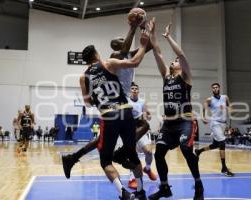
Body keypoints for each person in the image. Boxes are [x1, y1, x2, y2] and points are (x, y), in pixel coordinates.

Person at [62, 15, 151, 180]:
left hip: (119, 101)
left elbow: (147, 46)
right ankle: (122, 154)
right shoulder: (116, 54)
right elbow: (131, 50)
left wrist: (145, 28)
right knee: (142, 126)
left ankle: (75, 157)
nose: (123, 39)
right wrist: (135, 27)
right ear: (116, 44)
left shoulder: (124, 54)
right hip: (120, 100)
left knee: (109, 137)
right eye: (120, 39)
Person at [147, 18, 204, 200]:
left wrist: (169, 37)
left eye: (176, 60)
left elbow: (181, 54)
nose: (174, 61)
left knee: (186, 150)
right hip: (169, 125)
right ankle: (165, 188)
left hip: (185, 121)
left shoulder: (186, 77)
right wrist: (153, 33)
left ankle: (198, 184)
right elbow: (157, 51)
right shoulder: (166, 77)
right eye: (173, 61)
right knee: (159, 154)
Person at [195, 83, 234, 177]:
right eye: (213, 88)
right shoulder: (210, 99)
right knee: (222, 143)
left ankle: (198, 151)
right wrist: (203, 117)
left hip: (223, 123)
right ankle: (224, 168)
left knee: (215, 145)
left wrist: (228, 109)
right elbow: (203, 107)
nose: (215, 89)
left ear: (219, 88)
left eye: (216, 87)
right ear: (212, 90)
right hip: (215, 123)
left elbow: (231, 108)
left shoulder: (225, 97)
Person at [127, 82, 157, 189]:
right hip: (130, 131)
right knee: (132, 154)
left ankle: (147, 168)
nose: (134, 90)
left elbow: (148, 114)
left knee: (149, 152)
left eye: (136, 88)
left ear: (138, 91)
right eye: (132, 88)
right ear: (130, 91)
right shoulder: (126, 101)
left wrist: (148, 116)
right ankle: (132, 178)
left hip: (141, 130)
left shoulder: (142, 102)